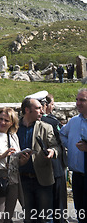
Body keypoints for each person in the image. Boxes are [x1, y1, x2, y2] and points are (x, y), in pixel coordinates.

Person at [17, 97, 58, 223]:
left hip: (42, 180)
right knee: (29, 218)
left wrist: (52, 152)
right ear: (27, 110)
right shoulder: (14, 128)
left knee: (45, 218)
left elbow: (56, 147)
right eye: (38, 108)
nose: (42, 111)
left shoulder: (46, 127)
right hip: (23, 179)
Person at [60, 88, 87, 223]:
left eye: (82, 100)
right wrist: (70, 146)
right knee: (80, 213)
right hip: (77, 176)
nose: (78, 103)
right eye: (77, 99)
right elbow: (62, 134)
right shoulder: (74, 121)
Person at [41, 93, 68, 223]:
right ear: (45, 106)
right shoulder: (51, 122)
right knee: (58, 200)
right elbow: (61, 140)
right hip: (55, 165)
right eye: (51, 104)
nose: (53, 107)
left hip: (46, 166)